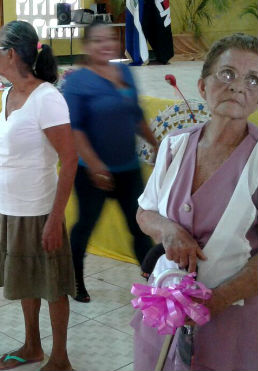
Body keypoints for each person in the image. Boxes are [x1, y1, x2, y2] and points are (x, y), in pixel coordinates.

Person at [133, 33, 258, 371]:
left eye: (253, 79)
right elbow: (145, 212)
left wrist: (216, 301)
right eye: (227, 74)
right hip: (164, 311)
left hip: (230, 319)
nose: (239, 86)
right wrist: (168, 229)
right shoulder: (175, 145)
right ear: (203, 86)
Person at [0, 21, 77, 371]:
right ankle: (32, 346)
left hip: (39, 210)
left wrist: (55, 219)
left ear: (10, 53)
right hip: (8, 209)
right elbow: (12, 150)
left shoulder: (47, 99)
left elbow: (69, 160)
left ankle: (60, 358)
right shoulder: (8, 94)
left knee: (52, 284)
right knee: (26, 280)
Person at [63, 21, 158, 302]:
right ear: (86, 47)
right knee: (85, 226)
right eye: (97, 40)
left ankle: (154, 287)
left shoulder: (125, 71)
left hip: (129, 169)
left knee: (140, 229)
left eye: (109, 39)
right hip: (91, 173)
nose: (105, 44)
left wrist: (158, 144)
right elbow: (75, 128)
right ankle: (74, 280)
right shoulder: (77, 81)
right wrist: (94, 164)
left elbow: (136, 114)